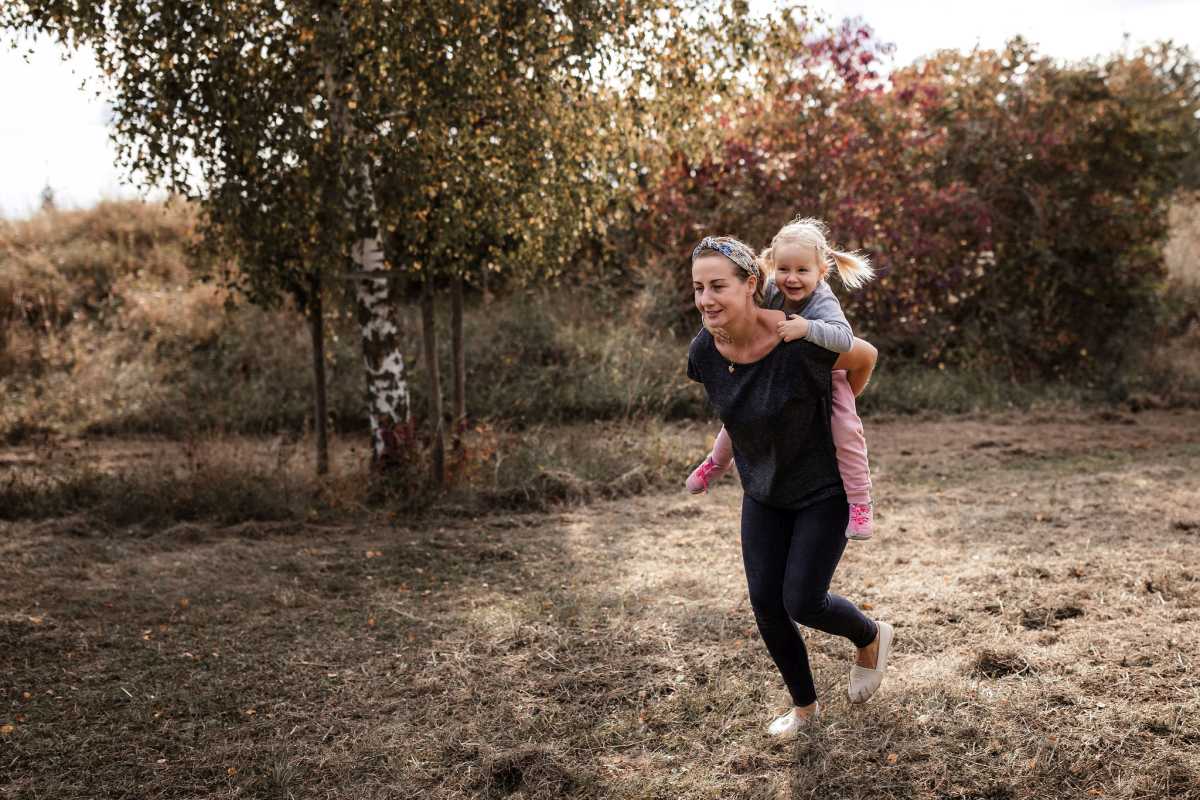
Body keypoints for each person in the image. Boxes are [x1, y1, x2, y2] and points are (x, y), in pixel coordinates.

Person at [686, 234, 895, 738]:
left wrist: (836, 401)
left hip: (822, 486)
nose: (707, 299)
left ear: (750, 285)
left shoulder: (798, 337)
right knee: (767, 603)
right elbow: (734, 413)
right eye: (698, 288)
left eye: (718, 285)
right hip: (763, 488)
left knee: (802, 599)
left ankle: (870, 636)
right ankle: (805, 709)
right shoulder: (704, 352)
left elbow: (864, 356)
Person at [686, 217, 877, 540]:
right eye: (784, 269)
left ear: (821, 272)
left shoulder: (822, 301)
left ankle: (860, 501)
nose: (792, 278)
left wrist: (807, 329)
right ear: (771, 267)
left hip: (828, 371)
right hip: (780, 374)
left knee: (846, 430)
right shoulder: (770, 288)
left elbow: (849, 342)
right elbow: (746, 307)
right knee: (742, 411)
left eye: (803, 271)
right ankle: (716, 463)